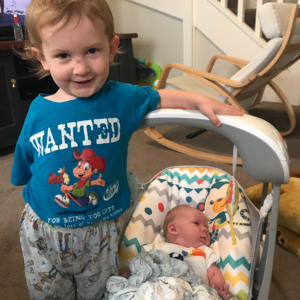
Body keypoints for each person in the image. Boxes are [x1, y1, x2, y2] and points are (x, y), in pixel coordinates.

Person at [10, 0, 243, 299]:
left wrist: (199, 100)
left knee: (98, 293)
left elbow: (159, 96)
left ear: (111, 48)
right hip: (43, 230)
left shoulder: (122, 98)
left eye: (91, 51)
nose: (80, 68)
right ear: (42, 58)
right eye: (63, 55)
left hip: (100, 231)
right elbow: (24, 161)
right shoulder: (37, 110)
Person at [142, 206, 230, 300]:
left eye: (207, 229)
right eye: (196, 223)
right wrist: (130, 272)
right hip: (161, 287)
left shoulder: (205, 251)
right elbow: (142, 261)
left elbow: (213, 273)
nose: (205, 229)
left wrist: (218, 288)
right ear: (173, 229)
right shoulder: (159, 246)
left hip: (195, 291)